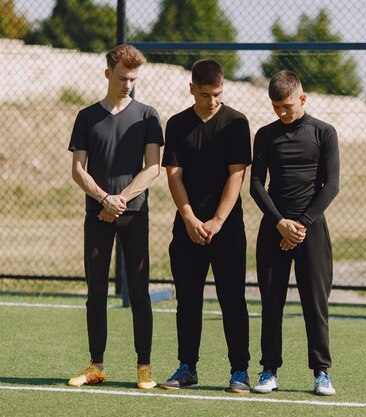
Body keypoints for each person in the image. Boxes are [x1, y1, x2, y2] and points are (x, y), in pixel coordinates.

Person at [67, 44, 163, 389]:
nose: (128, 84)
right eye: (123, 77)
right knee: (96, 291)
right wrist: (103, 199)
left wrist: (119, 199)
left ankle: (144, 368)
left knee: (139, 291)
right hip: (97, 214)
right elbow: (78, 170)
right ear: (108, 74)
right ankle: (96, 366)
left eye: (134, 78)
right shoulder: (86, 117)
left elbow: (153, 167)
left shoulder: (149, 115)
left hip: (133, 213)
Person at [160, 59, 252, 393]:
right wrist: (189, 218)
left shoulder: (237, 123)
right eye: (204, 94)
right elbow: (173, 174)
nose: (212, 100)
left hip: (226, 230)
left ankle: (239, 370)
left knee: (232, 299)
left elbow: (237, 174)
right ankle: (187, 367)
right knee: (188, 300)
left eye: (217, 93)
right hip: (187, 228)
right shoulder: (177, 124)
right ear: (191, 89)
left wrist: (216, 221)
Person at [250, 70, 340, 396]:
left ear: (302, 99)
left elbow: (332, 186)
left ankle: (321, 372)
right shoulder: (264, 135)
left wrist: (301, 223)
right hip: (274, 227)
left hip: (311, 230)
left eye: (287, 106)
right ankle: (268, 371)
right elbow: (256, 185)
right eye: (276, 107)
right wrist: (280, 223)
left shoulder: (324, 133)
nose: (282, 113)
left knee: (315, 304)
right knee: (271, 303)